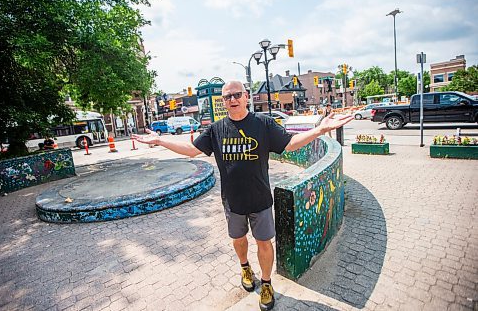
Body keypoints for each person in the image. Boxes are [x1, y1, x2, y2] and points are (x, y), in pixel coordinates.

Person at [132, 81, 352, 311]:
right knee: (238, 240)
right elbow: (191, 151)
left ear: (246, 97)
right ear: (223, 101)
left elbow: (289, 145)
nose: (232, 100)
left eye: (237, 95)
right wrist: (159, 141)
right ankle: (245, 267)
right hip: (233, 200)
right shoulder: (216, 129)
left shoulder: (263, 124)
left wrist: (319, 130)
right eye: (227, 97)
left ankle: (266, 284)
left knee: (264, 242)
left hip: (260, 198)